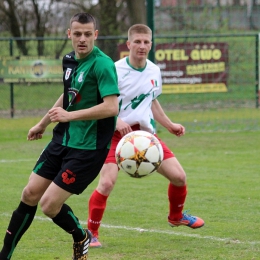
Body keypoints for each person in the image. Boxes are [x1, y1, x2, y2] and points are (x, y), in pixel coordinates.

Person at [0, 12, 119, 260]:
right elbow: (69, 94)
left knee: (49, 205)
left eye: (88, 34)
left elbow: (111, 107)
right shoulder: (68, 60)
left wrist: (70, 116)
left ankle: (81, 236)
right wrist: (43, 123)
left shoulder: (103, 64)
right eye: (77, 34)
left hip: (88, 148)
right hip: (61, 140)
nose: (82, 39)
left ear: (95, 35)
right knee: (29, 194)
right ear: (69, 35)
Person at [87, 24, 205, 248]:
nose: (142, 46)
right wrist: (116, 120)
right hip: (113, 135)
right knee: (107, 183)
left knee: (179, 177)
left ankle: (176, 217)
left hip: (144, 137)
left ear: (151, 44)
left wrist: (169, 124)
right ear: (128, 44)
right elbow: (97, 103)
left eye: (146, 42)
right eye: (137, 42)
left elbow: (151, 101)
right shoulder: (114, 69)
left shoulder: (154, 70)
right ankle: (92, 233)